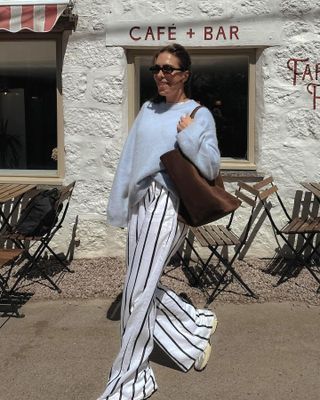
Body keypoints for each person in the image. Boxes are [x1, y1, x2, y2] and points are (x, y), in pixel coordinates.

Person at [98, 43, 220, 400]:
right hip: (140, 204)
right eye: (156, 69)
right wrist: (119, 206)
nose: (161, 76)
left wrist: (188, 135)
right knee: (139, 286)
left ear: (184, 74)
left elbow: (211, 167)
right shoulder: (148, 109)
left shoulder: (198, 114)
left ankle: (130, 380)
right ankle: (193, 329)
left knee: (136, 292)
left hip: (167, 205)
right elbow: (129, 160)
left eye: (169, 69)